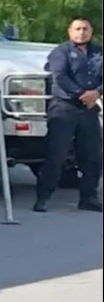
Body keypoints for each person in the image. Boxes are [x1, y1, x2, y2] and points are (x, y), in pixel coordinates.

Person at [33, 16, 102, 213]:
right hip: (64, 107)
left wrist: (97, 92)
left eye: (85, 29)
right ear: (70, 32)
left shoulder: (98, 52)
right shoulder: (61, 52)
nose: (82, 32)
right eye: (78, 29)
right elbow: (60, 77)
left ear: (91, 31)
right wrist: (82, 94)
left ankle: (88, 198)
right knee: (56, 154)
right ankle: (43, 198)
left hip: (88, 108)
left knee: (92, 155)